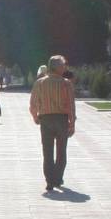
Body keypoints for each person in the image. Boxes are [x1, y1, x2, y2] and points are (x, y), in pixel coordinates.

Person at [29, 54, 75, 191]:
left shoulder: (40, 83)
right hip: (61, 119)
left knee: (47, 151)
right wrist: (72, 123)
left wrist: (35, 117)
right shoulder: (66, 84)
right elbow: (71, 105)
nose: (65, 67)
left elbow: (33, 103)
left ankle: (50, 180)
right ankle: (57, 178)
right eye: (63, 65)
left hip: (46, 119)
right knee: (61, 151)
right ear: (56, 67)